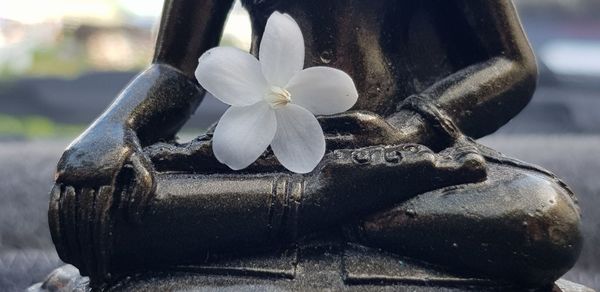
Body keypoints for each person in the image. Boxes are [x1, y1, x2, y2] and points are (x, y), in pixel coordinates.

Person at [50, 0, 582, 288]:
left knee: (542, 217)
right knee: (92, 208)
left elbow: (512, 63)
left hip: (404, 162)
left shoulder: (407, 145)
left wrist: (410, 128)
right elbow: (175, 65)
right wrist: (114, 127)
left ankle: (319, 205)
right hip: (258, 156)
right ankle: (327, 199)